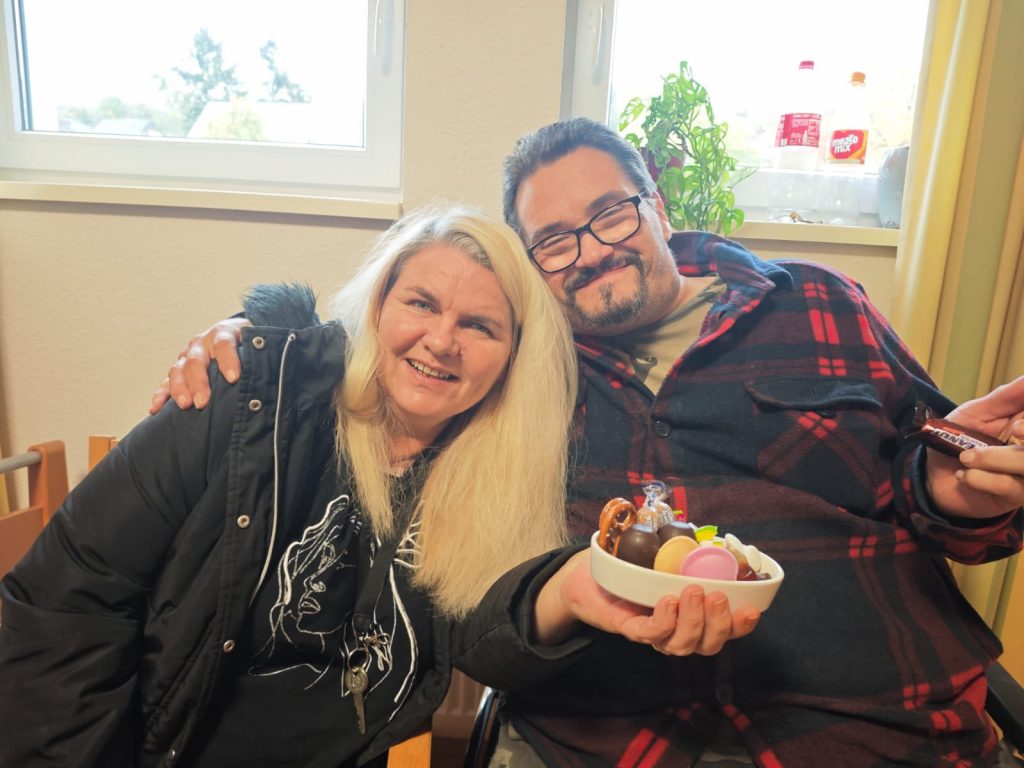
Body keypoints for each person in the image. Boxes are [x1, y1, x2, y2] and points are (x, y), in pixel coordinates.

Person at [152, 119, 1024, 767]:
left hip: (877, 726)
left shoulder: (820, 304)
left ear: (658, 206)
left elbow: (937, 469)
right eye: (555, 241)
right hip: (612, 739)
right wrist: (251, 336)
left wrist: (961, 491)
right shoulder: (514, 365)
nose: (592, 252)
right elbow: (383, 353)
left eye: (611, 215)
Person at [0, 204, 759, 768]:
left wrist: (571, 594)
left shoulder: (497, 477)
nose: (441, 341)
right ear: (378, 304)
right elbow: (63, 601)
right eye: (421, 303)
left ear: (511, 360)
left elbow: (483, 638)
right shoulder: (246, 398)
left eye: (481, 326)